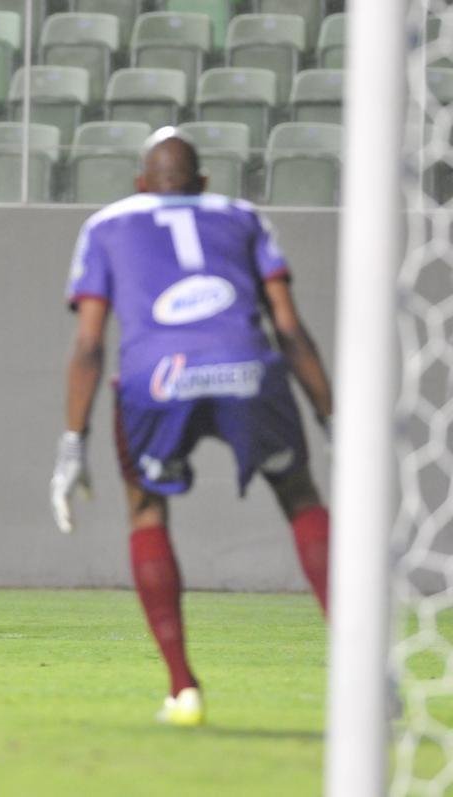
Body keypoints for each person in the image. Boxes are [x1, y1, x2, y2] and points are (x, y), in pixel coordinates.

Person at [50, 129, 333, 726]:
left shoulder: (106, 224)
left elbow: (88, 343)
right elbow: (288, 325)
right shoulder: (243, 215)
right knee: (301, 497)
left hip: (157, 379)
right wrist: (330, 417)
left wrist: (73, 443)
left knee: (147, 511)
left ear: (141, 185)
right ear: (203, 182)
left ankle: (183, 691)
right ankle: (363, 675)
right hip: (246, 366)